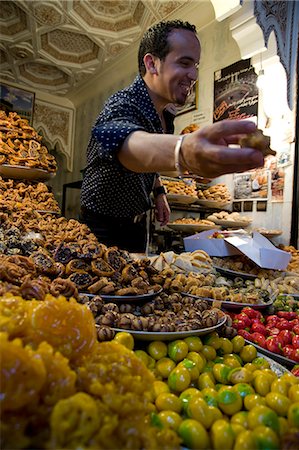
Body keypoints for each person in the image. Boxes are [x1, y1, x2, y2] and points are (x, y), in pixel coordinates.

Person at [80, 20, 264, 253]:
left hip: (137, 223)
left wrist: (158, 192)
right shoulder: (123, 103)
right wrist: (183, 151)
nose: (194, 74)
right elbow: (125, 143)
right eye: (185, 63)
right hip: (101, 228)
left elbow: (149, 162)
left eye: (196, 65)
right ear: (152, 64)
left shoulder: (166, 113)